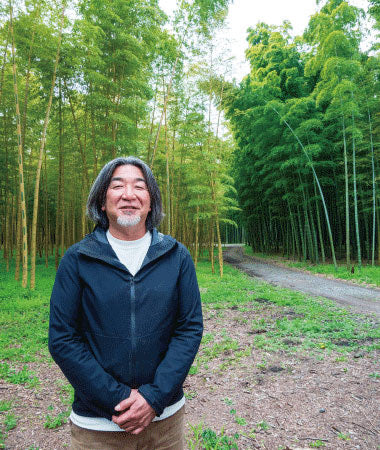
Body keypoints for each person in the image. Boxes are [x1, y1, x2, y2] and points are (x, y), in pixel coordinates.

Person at [48, 156, 203, 450]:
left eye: (139, 187)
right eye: (117, 186)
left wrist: (154, 398)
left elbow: (189, 330)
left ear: (151, 201)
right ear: (102, 201)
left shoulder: (177, 256)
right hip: (98, 427)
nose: (129, 195)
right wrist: (118, 399)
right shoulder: (78, 259)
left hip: (165, 423)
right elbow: (63, 339)